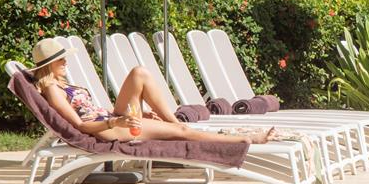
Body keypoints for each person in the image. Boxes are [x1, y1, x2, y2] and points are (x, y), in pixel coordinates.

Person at [30, 37, 277, 146]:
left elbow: (90, 110)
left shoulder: (63, 85)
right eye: (61, 60)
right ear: (48, 65)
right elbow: (81, 125)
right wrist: (115, 121)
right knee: (181, 132)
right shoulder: (53, 90)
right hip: (107, 130)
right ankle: (245, 140)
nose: (66, 62)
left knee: (139, 73)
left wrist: (133, 115)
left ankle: (173, 122)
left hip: (111, 119)